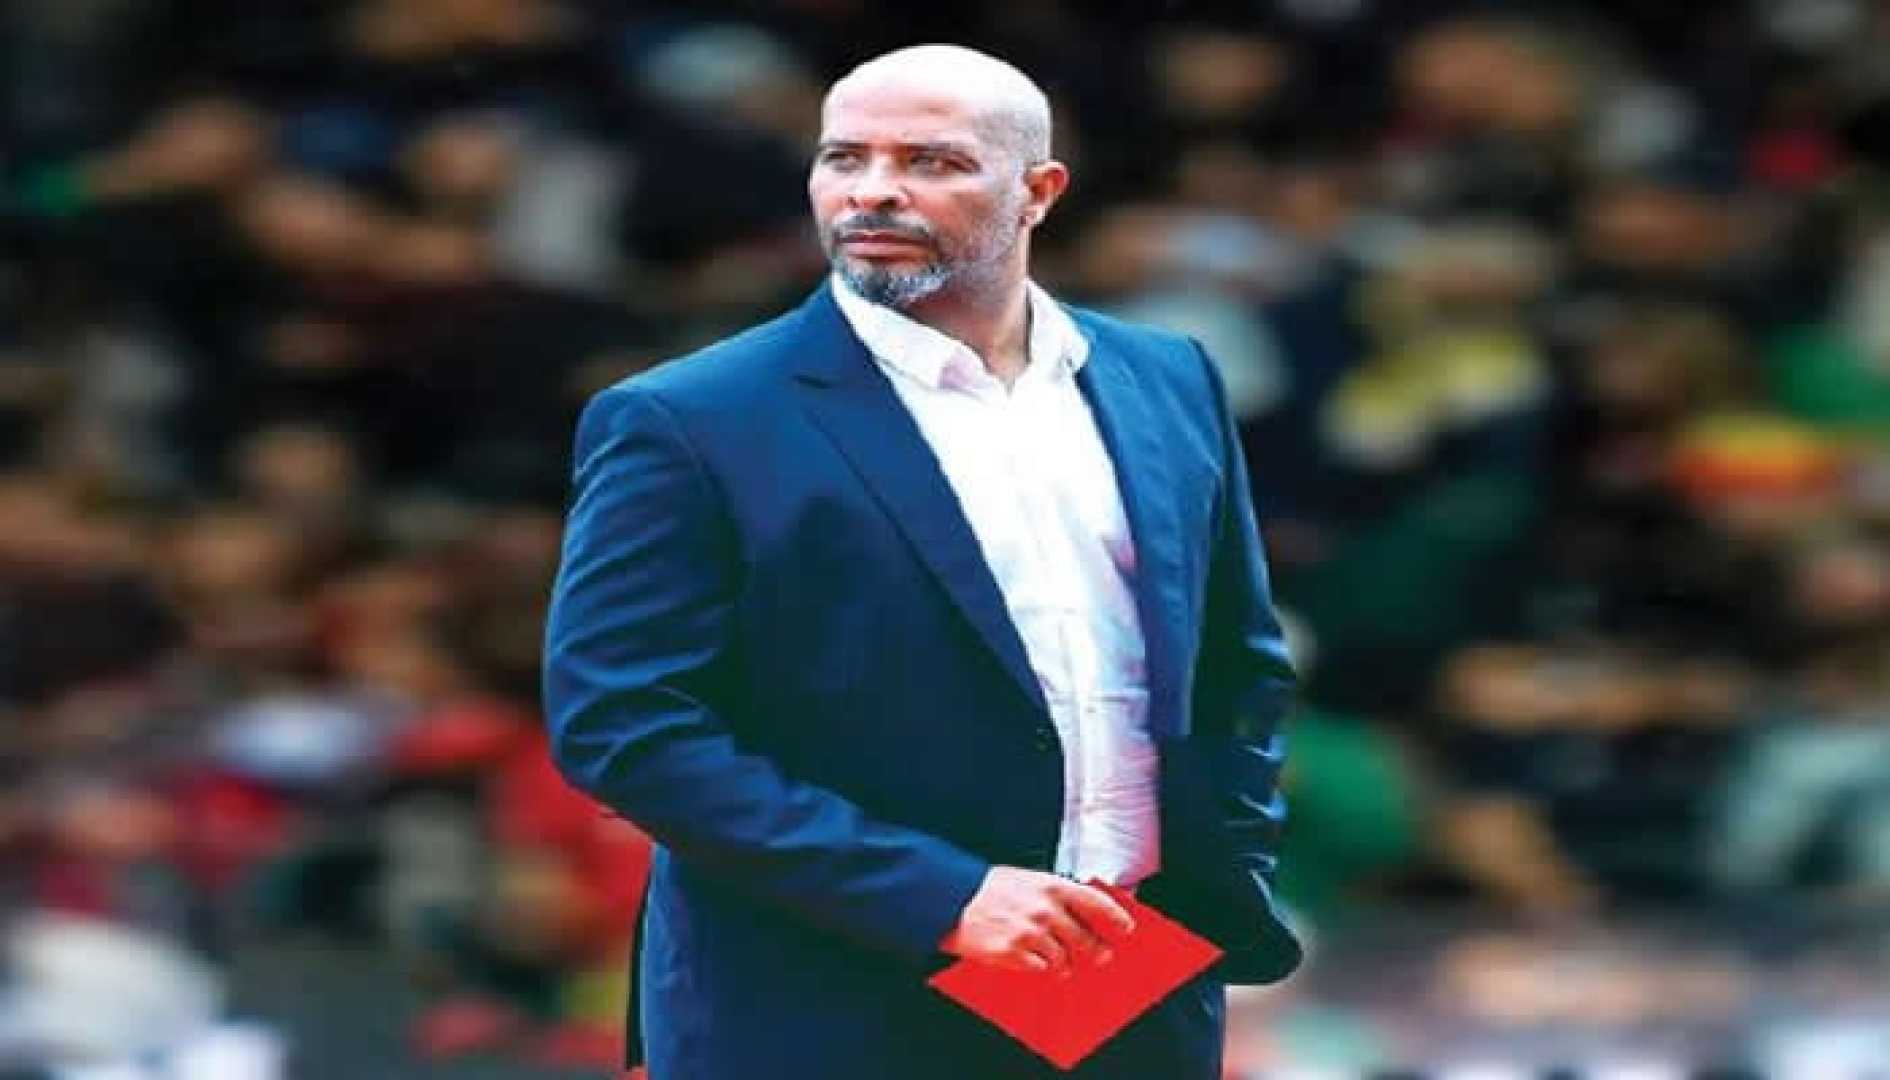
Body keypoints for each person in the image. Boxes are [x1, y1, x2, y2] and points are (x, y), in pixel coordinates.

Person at [542, 44, 1301, 1079]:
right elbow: (622, 725)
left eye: (932, 162)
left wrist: (1224, 867)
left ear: (1039, 191)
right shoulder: (689, 417)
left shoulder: (1167, 376)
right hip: (820, 996)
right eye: (843, 158)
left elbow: (1237, 661)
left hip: (1132, 978)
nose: (874, 191)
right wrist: (941, 895)